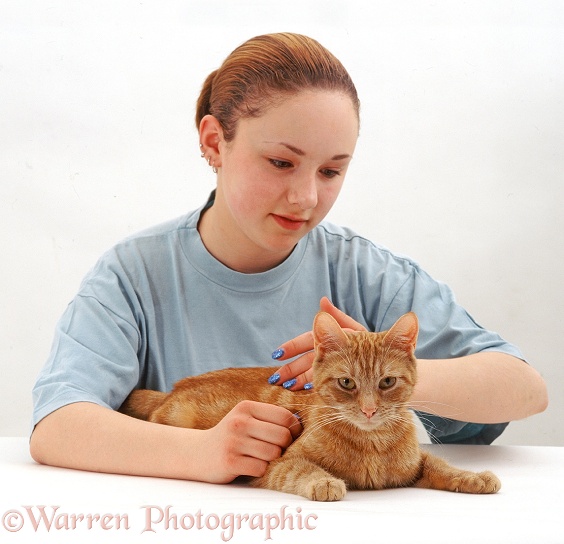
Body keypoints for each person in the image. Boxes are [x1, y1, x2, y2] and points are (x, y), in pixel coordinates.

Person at [30, 32, 547, 484]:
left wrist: (392, 374)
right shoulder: (133, 276)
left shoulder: (363, 273)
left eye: (330, 172)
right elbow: (57, 424)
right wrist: (203, 451)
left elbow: (526, 389)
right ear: (214, 142)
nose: (305, 198)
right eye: (281, 162)